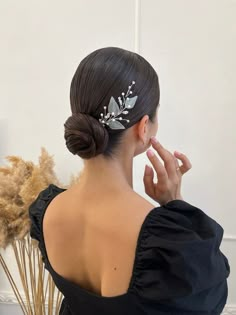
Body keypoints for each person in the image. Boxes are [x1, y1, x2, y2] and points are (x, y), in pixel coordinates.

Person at [29, 47, 230, 315]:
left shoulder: (47, 212)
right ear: (144, 126)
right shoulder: (167, 239)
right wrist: (174, 204)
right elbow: (209, 302)